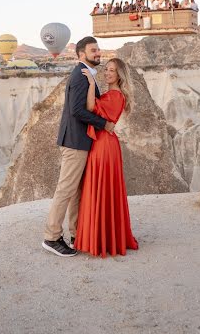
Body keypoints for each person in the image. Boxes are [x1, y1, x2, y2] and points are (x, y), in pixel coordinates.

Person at [42, 37, 116, 257]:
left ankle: (77, 234)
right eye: (94, 50)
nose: (98, 53)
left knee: (76, 192)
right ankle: (52, 237)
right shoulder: (80, 76)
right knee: (66, 190)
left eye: (98, 49)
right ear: (81, 54)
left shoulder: (86, 75)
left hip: (80, 141)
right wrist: (104, 124)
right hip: (75, 142)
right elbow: (77, 111)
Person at [75, 58, 139, 258]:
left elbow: (91, 106)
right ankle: (102, 237)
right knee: (100, 189)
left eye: (112, 70)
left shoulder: (116, 95)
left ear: (119, 75)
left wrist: (92, 83)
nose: (108, 73)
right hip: (104, 143)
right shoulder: (112, 94)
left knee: (100, 188)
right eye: (107, 69)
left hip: (104, 146)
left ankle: (102, 240)